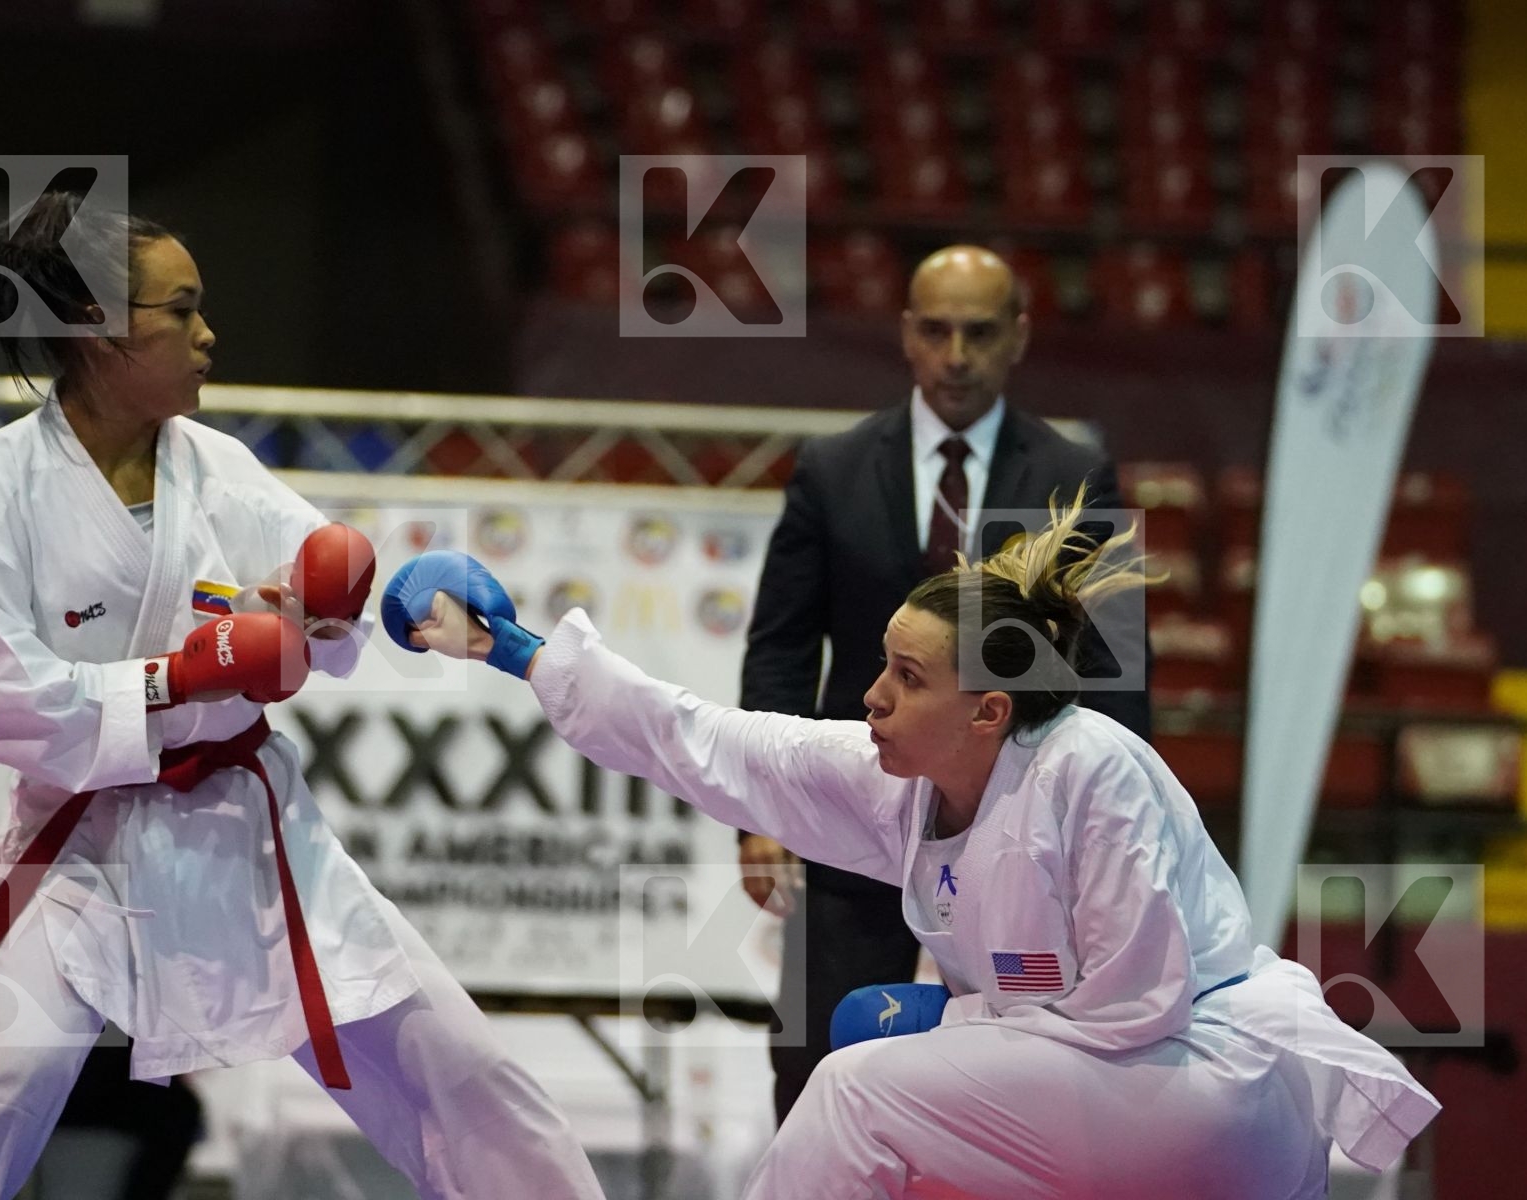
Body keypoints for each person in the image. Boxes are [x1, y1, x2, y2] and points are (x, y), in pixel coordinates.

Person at [381, 499, 1440, 1200]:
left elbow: (1135, 1006)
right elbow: (709, 741)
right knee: (898, 1118)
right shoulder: (907, 776)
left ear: (988, 709)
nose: (873, 695)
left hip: (1208, 1084)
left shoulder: (1090, 772)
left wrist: (949, 1012)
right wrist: (513, 650)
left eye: (904, 676)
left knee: (857, 1090)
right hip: (1117, 1090)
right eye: (881, 667)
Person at [0, 194, 605, 1200]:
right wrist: (182, 675)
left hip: (256, 840)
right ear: (97, 328)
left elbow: (320, 590)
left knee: (469, 1076)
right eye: (182, 310)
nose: (208, 333)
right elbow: (2, 701)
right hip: (86, 849)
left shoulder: (217, 466)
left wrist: (384, 597)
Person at [739, 243, 1151, 1123]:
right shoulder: (832, 468)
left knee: (1038, 1064)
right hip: (855, 804)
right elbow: (779, 649)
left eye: (978, 331)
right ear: (906, 336)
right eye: (937, 330)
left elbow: (1112, 677)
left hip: (1021, 826)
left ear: (1018, 337)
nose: (956, 354)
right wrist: (761, 810)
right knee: (815, 1057)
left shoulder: (1075, 478)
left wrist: (1103, 833)